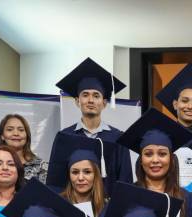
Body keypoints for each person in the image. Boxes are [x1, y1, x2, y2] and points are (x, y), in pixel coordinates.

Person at [117, 107, 192, 217]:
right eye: (148, 154)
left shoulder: (186, 198)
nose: (155, 160)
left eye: (162, 154)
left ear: (171, 159)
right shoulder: (127, 194)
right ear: (141, 160)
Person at [55, 57, 133, 193]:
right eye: (85, 95)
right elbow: (56, 182)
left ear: (104, 103)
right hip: (73, 208)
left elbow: (125, 181)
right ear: (77, 101)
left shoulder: (118, 139)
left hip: (108, 209)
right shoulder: (64, 137)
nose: (90, 100)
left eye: (96, 96)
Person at [47, 132, 112, 217]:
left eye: (87, 172)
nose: (80, 178)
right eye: (75, 172)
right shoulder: (57, 205)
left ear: (96, 175)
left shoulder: (107, 207)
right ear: (69, 175)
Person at [0, 114, 48, 183]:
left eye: (21, 130)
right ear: (2, 135)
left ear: (27, 135)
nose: (16, 133)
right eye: (10, 129)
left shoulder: (41, 166)